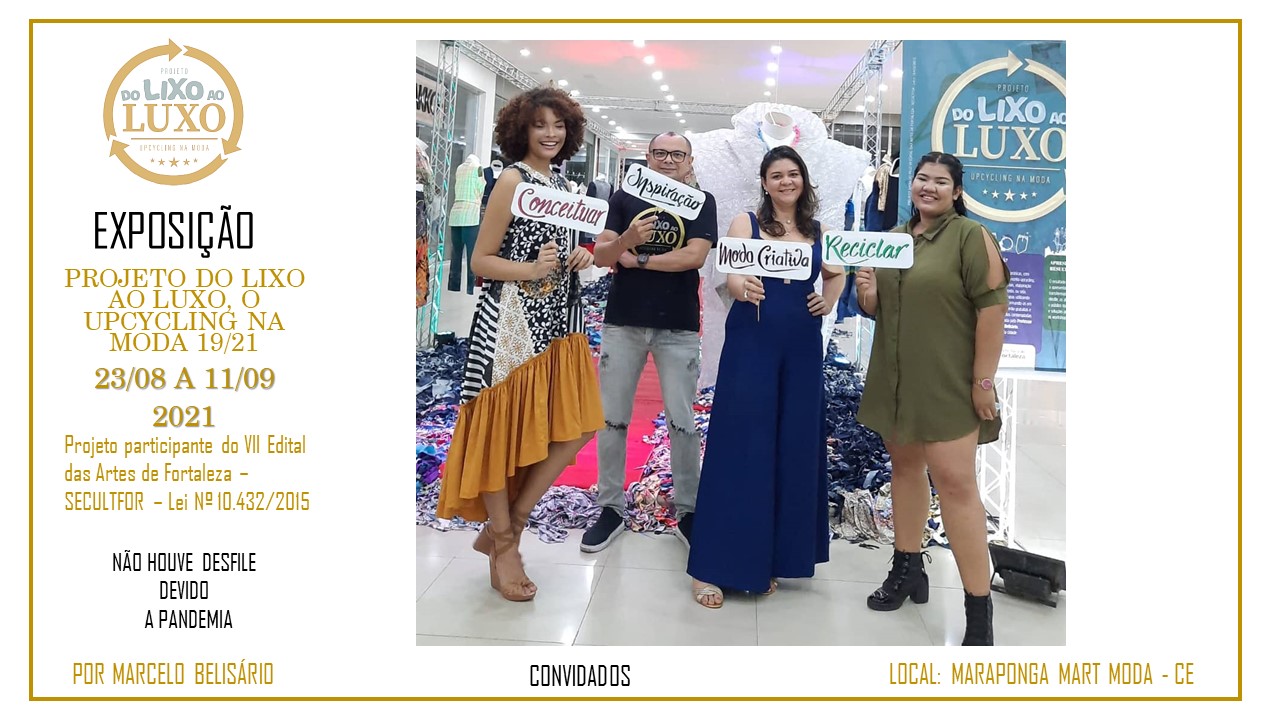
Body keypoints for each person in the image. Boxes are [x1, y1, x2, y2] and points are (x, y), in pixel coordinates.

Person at [437, 87, 603, 602]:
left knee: (576, 427)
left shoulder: (564, 185)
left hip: (561, 319)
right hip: (511, 322)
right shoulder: (511, 179)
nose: (550, 133)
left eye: (558, 125)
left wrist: (582, 255)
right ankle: (505, 542)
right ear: (521, 130)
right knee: (499, 432)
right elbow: (481, 260)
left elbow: (569, 248)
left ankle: (511, 523)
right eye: (539, 125)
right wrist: (531, 269)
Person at [853, 151, 1009, 644]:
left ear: (957, 192)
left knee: (956, 486)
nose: (929, 187)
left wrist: (983, 382)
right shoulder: (895, 239)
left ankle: (978, 610)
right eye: (922, 179)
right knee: (904, 470)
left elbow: (992, 311)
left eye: (941, 182)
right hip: (896, 379)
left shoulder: (970, 237)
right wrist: (866, 291)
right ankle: (907, 568)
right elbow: (879, 307)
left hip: (947, 382)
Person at [685, 146, 845, 608]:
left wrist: (829, 298)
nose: (785, 181)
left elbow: (836, 275)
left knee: (791, 446)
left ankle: (769, 557)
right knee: (741, 444)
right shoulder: (746, 224)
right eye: (776, 175)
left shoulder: (819, 231)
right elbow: (729, 277)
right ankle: (711, 566)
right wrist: (742, 286)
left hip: (801, 348)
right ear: (764, 182)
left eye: (793, 174)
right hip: (752, 342)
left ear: (804, 180)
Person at [580, 132, 719, 553]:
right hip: (623, 322)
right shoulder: (624, 199)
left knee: (683, 421)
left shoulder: (701, 202)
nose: (668, 160)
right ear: (648, 157)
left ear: (690, 160)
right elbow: (603, 255)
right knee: (612, 419)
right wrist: (625, 240)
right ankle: (610, 507)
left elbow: (694, 256)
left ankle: (688, 510)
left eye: (677, 154)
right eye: (660, 153)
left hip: (678, 327)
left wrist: (638, 259)